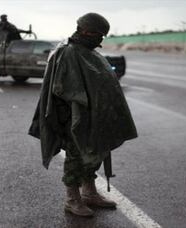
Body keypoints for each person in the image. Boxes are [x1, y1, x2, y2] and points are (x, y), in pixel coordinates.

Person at [28, 13, 137, 217]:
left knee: (94, 154)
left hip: (96, 118)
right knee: (77, 157)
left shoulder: (91, 53)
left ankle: (89, 192)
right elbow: (64, 89)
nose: (100, 40)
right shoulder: (68, 53)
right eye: (99, 35)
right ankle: (72, 198)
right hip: (75, 118)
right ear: (86, 31)